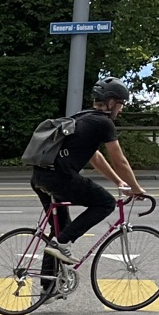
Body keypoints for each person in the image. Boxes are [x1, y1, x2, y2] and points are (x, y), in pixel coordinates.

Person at [35, 78, 146, 281]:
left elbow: (95, 157)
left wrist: (119, 182)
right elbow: (119, 160)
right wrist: (137, 189)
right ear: (111, 102)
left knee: (60, 230)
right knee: (105, 203)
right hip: (61, 178)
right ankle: (63, 243)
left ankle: (47, 286)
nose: (120, 110)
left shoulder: (82, 117)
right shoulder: (104, 123)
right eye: (120, 104)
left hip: (40, 177)